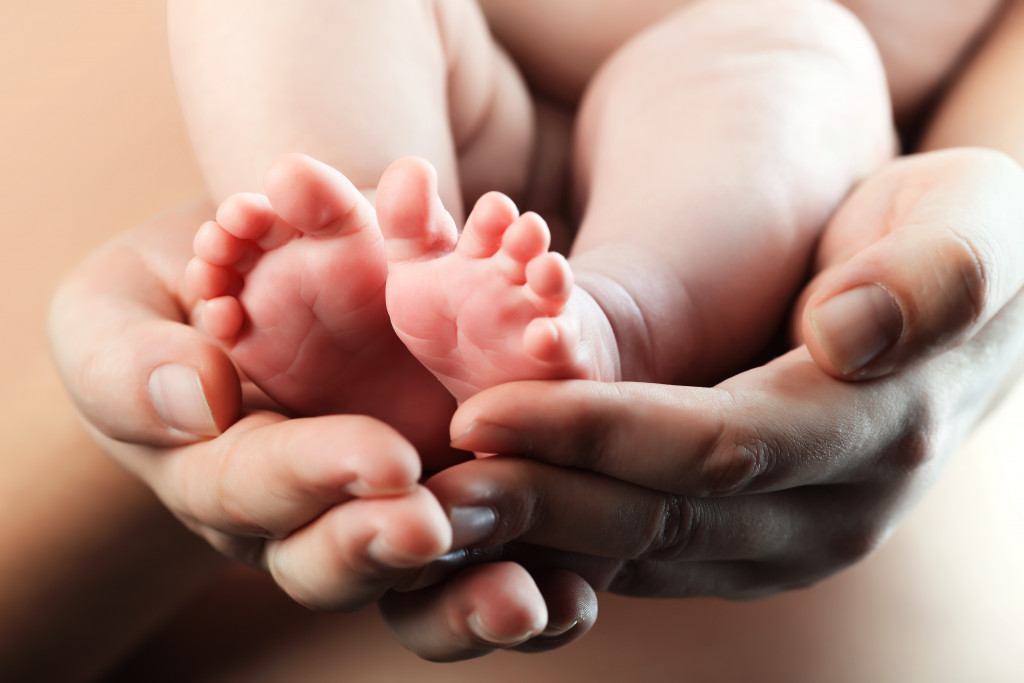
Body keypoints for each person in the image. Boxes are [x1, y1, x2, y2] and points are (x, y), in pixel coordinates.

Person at [42, 0, 1024, 669]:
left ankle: (609, 317)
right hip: (461, 48)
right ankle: (361, 243)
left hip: (743, 44)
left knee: (795, 68)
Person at [183, 0, 891, 423]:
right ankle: (370, 252)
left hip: (717, 98)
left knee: (803, 43)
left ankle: (610, 320)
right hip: (474, 96)